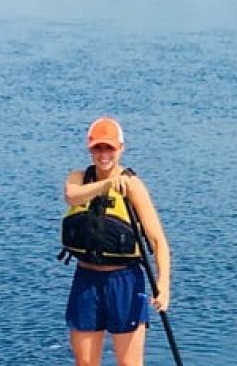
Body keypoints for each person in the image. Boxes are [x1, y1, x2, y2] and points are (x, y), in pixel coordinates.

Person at [62, 117, 172, 366]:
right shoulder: (79, 177)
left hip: (124, 282)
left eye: (109, 148)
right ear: (90, 149)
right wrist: (108, 184)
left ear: (120, 149)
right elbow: (71, 196)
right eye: (98, 147)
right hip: (86, 281)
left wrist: (164, 285)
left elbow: (158, 242)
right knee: (85, 363)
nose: (103, 154)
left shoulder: (133, 185)